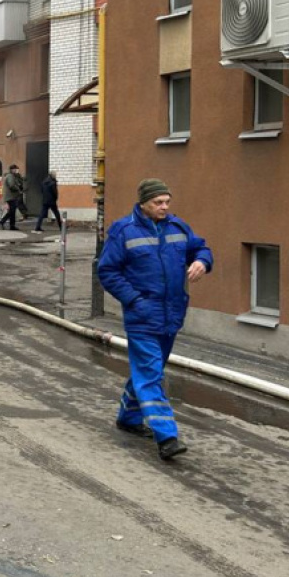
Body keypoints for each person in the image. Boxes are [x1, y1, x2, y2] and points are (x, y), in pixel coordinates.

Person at [97, 179, 213, 461]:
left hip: (172, 315)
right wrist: (135, 300)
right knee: (151, 373)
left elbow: (200, 248)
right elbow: (107, 270)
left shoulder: (178, 227)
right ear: (143, 203)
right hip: (142, 317)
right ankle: (167, 436)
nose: (164, 207)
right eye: (158, 202)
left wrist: (202, 261)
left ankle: (128, 417)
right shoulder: (123, 231)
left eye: (167, 202)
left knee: (149, 369)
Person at [0, 164, 26, 231]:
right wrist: (18, 190)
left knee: (12, 212)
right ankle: (1, 222)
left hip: (11, 196)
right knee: (11, 211)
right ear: (12, 170)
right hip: (11, 196)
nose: (17, 170)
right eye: (16, 169)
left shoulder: (12, 176)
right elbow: (12, 185)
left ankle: (12, 226)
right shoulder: (10, 176)